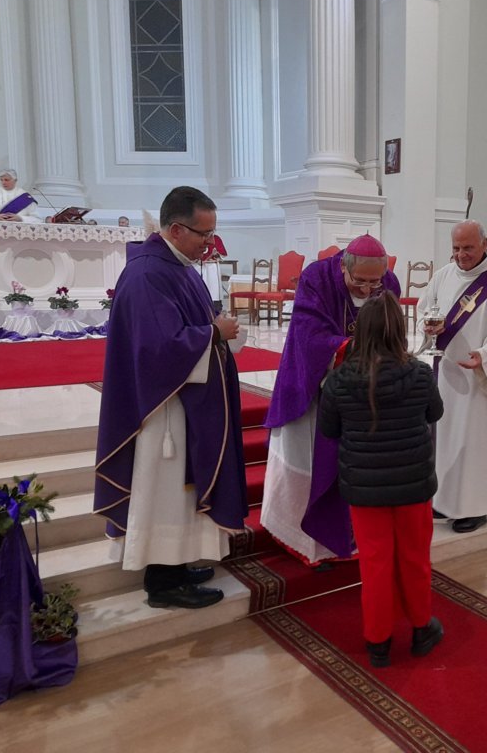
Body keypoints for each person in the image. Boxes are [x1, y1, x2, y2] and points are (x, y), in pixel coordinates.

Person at [93, 186, 249, 609]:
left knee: (177, 492)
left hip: (182, 403)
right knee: (165, 490)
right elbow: (157, 349)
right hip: (163, 408)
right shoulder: (148, 274)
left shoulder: (176, 266)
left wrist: (215, 330)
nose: (210, 243)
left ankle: (175, 565)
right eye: (204, 234)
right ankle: (163, 582)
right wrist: (214, 332)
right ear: (177, 230)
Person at [317, 291, 444, 667]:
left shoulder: (339, 380)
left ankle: (378, 642)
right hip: (413, 484)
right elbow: (434, 413)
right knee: (415, 559)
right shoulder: (420, 373)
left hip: (365, 487)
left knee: (374, 564)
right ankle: (421, 628)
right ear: (399, 331)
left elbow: (328, 430)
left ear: (360, 332)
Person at [261, 234, 401, 564]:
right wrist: (350, 348)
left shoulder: (388, 283)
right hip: (312, 386)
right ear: (343, 268)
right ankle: (299, 539)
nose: (368, 290)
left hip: (360, 394)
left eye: (374, 282)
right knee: (308, 459)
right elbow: (308, 333)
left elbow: (389, 331)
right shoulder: (317, 278)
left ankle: (348, 535)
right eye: (360, 281)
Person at [420, 220, 487, 533]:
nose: (461, 255)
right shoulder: (443, 275)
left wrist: (485, 355)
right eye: (456, 248)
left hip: (479, 379)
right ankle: (444, 500)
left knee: (473, 442)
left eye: (468, 248)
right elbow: (425, 309)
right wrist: (428, 325)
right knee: (444, 440)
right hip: (446, 374)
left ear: (484, 244)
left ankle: (475, 508)